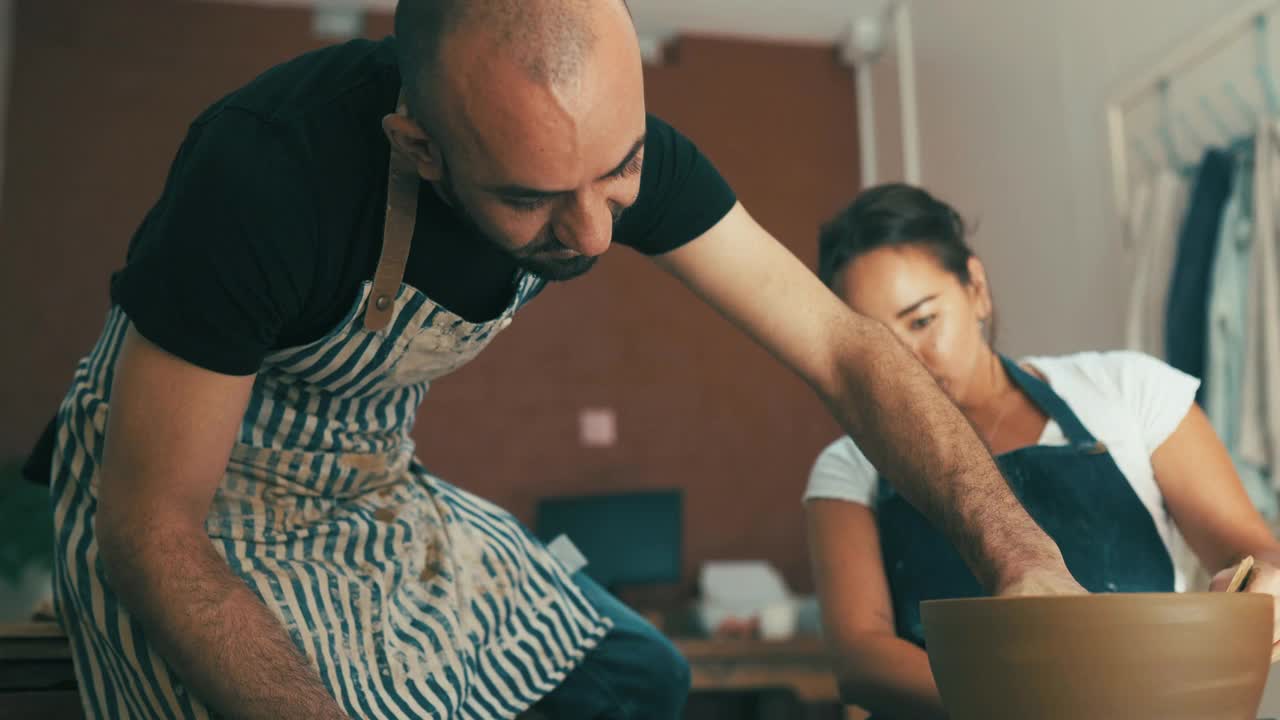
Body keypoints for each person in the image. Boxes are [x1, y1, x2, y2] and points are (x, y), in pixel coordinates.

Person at [43, 2, 1083, 718]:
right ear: (418, 147)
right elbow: (152, 533)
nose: (588, 232)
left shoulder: (620, 159)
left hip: (365, 476)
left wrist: (1021, 560)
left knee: (636, 678)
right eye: (528, 200)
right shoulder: (264, 177)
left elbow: (842, 349)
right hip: (181, 492)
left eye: (616, 172)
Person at [805, 183, 1280, 720]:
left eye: (922, 321)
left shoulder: (1128, 391)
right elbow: (860, 657)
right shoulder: (849, 466)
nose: (907, 360)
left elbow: (1250, 554)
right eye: (878, 345)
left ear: (976, 289)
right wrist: (1030, 705)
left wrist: (1268, 582)